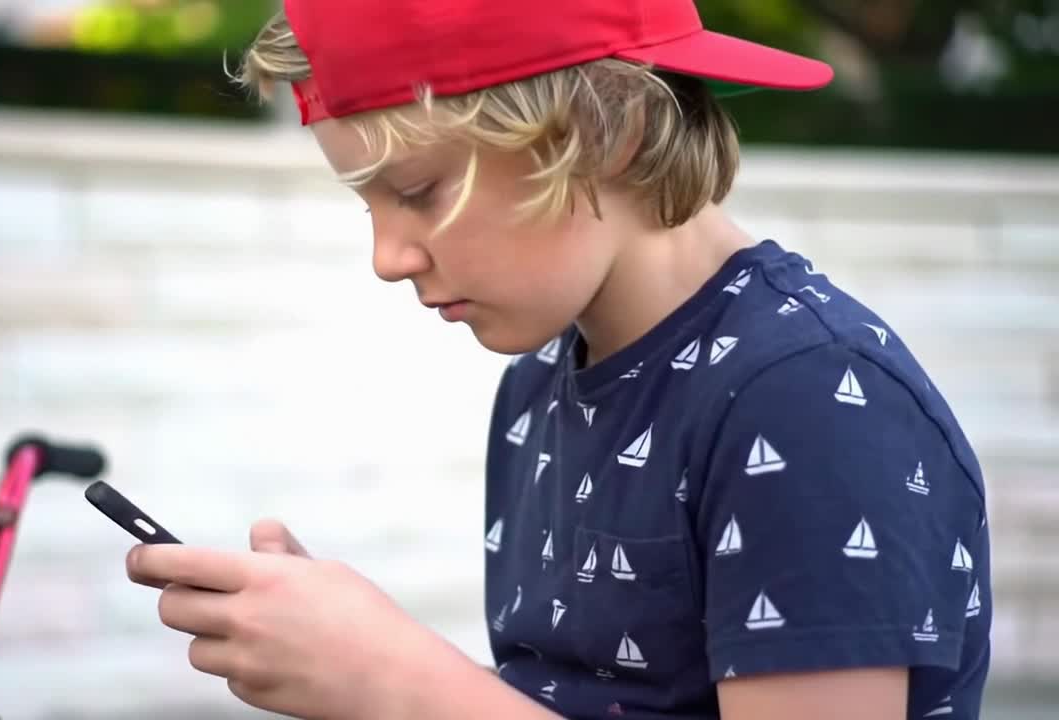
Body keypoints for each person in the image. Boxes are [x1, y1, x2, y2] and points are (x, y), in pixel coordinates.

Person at [124, 1, 993, 718]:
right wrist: (339, 656)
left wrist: (399, 684)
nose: (387, 257)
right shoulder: (539, 381)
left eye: (419, 190)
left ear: (611, 130)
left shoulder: (807, 399)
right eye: (369, 204)